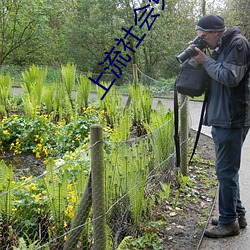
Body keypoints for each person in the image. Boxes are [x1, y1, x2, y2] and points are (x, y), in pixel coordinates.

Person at [192, 15, 250, 238]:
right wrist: (202, 60)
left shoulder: (238, 44)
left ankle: (228, 223)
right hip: (222, 117)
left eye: (204, 37)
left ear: (216, 32)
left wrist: (205, 61)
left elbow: (229, 77)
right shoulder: (221, 46)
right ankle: (237, 214)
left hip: (232, 118)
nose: (203, 41)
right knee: (227, 171)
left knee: (225, 171)